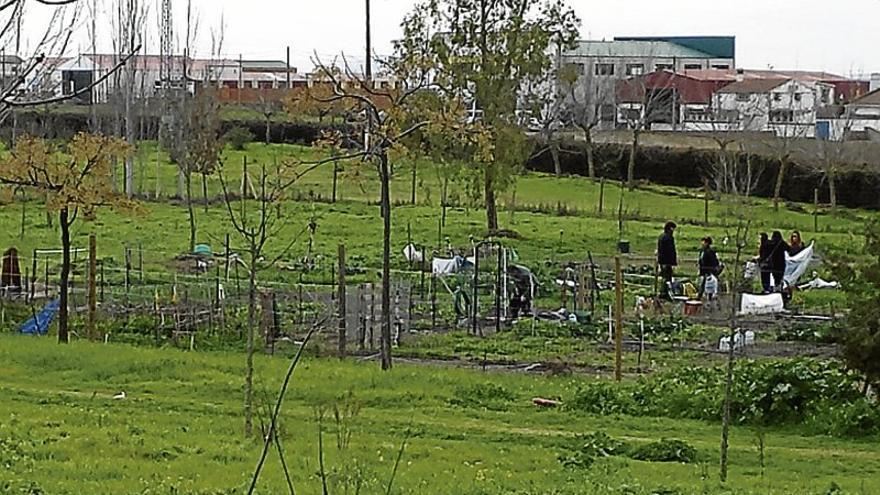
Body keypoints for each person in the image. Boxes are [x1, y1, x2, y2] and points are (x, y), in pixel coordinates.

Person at [657, 221, 678, 297]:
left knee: (664, 277)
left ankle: (663, 292)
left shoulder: (661, 237)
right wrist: (673, 262)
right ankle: (665, 293)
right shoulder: (669, 238)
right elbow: (670, 251)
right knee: (667, 277)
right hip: (667, 262)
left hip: (662, 261)